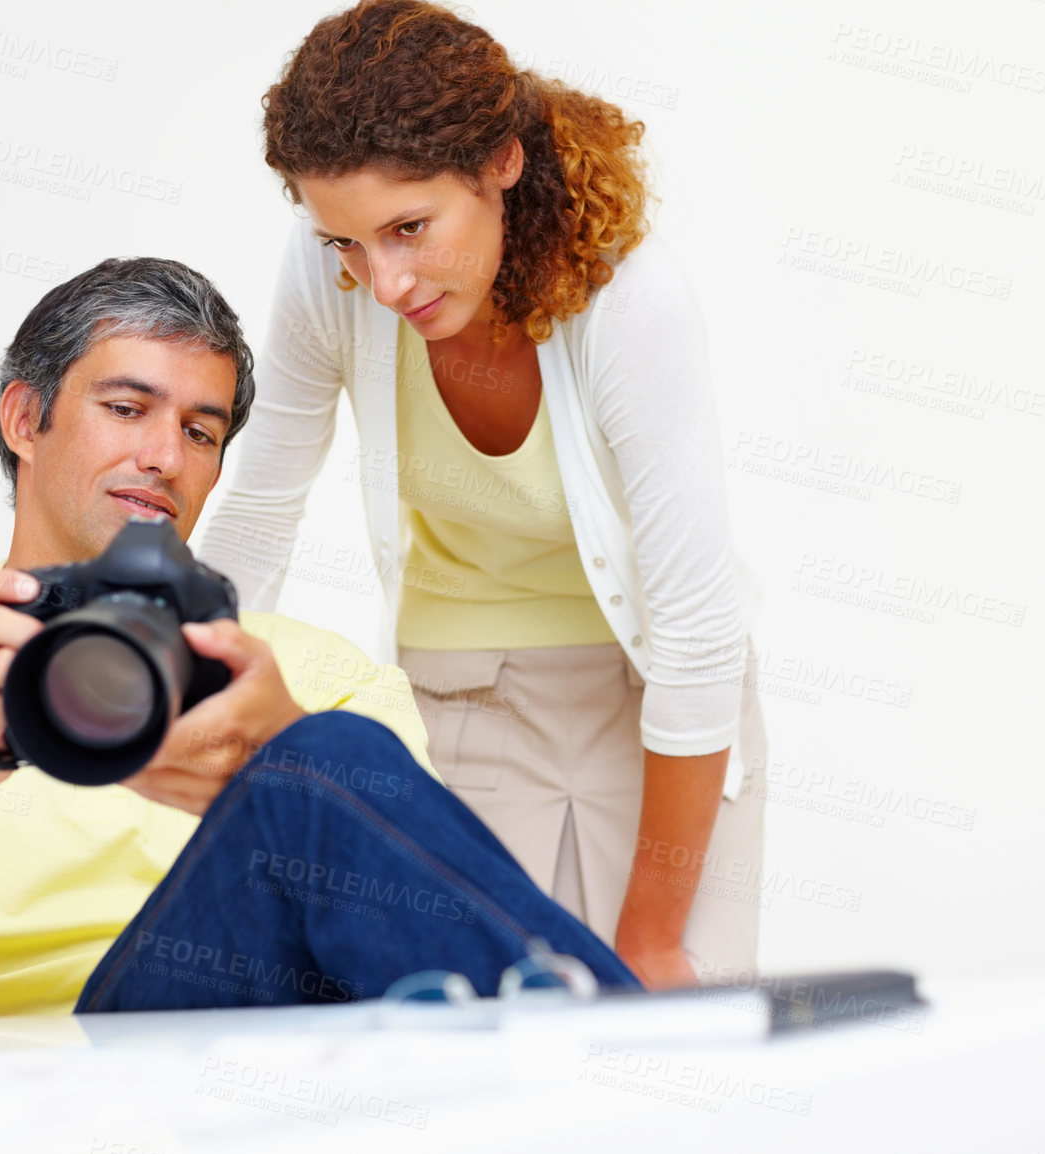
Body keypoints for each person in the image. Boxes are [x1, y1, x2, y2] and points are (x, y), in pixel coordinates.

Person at [0, 258, 640, 1016]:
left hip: (249, 1072)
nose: (164, 456)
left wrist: (269, 758)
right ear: (24, 417)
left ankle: (606, 1064)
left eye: (202, 430)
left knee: (326, 752)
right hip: (12, 1102)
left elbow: (432, 914)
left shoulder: (303, 680)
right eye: (126, 407)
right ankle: (637, 1059)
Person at [196, 0, 767, 990]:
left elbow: (697, 627)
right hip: (458, 703)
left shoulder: (631, 301)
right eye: (346, 242)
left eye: (410, 228)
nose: (383, 281)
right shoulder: (328, 272)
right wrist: (177, 675)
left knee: (668, 1053)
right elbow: (261, 504)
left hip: (664, 713)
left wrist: (652, 934)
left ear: (499, 163)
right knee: (486, 1065)